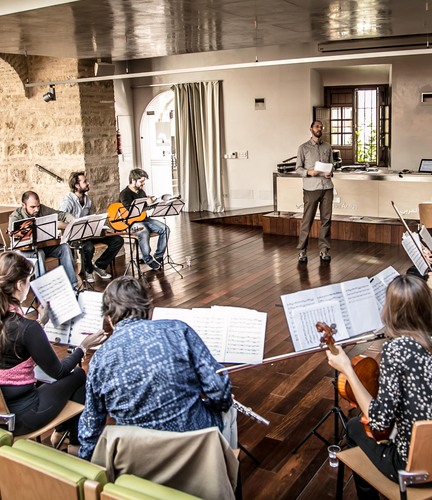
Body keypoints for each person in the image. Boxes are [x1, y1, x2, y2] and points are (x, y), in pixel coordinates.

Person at [78, 275, 237, 460]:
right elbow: (218, 387)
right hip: (193, 445)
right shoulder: (178, 330)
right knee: (229, 410)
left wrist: (88, 464)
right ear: (149, 308)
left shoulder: (98, 360)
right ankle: (223, 472)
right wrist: (217, 405)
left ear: (108, 316)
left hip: (137, 455)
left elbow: (90, 424)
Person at [326, 274, 432, 499]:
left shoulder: (397, 350)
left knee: (355, 427)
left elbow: (379, 420)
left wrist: (347, 369)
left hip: (415, 471)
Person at [0, 252, 105, 452]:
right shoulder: (26, 328)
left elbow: (14, 345)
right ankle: (75, 444)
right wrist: (82, 347)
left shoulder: (16, 324)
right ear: (19, 285)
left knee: (47, 378)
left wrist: (41, 322)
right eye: (29, 281)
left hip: (3, 411)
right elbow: (58, 372)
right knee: (78, 375)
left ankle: (61, 432)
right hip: (23, 416)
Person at [60, 172, 124, 283]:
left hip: (89, 233)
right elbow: (60, 223)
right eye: (85, 181)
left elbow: (92, 218)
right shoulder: (67, 201)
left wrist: (101, 228)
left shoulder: (87, 200)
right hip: (74, 236)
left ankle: (100, 266)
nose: (88, 183)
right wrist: (76, 227)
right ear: (76, 185)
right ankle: (88, 271)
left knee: (117, 240)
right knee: (88, 247)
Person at [9, 191, 78, 288]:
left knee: (64, 247)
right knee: (39, 253)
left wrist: (74, 222)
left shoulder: (42, 209)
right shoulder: (15, 217)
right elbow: (15, 240)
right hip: (24, 251)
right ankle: (43, 289)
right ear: (23, 205)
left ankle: (73, 286)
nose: (37, 209)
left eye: (38, 206)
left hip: (43, 246)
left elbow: (62, 214)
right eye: (33, 207)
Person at [296, 120, 334, 263]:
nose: (319, 128)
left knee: (326, 220)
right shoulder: (303, 148)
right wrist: (309, 172)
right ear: (311, 129)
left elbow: (331, 166)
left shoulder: (328, 147)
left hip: (327, 188)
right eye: (317, 126)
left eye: (321, 127)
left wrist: (330, 173)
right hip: (311, 188)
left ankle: (324, 250)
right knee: (307, 220)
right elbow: (298, 168)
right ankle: (302, 251)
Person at [119, 168, 169, 270]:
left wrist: (155, 203)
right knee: (143, 232)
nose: (143, 184)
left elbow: (144, 208)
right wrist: (146, 203)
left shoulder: (141, 192)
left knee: (165, 229)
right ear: (133, 180)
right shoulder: (125, 194)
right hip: (132, 223)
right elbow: (129, 211)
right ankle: (148, 259)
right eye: (141, 181)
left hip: (144, 219)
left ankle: (159, 255)